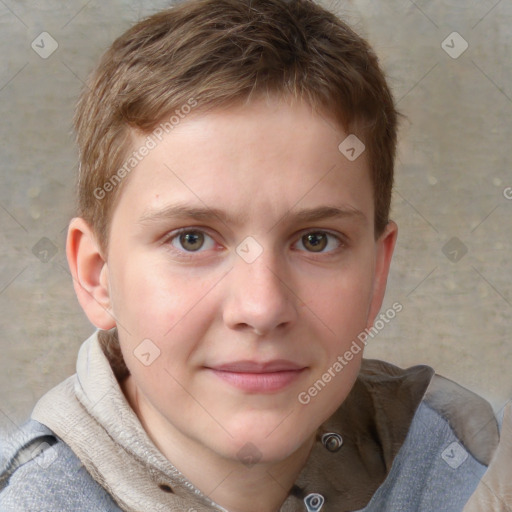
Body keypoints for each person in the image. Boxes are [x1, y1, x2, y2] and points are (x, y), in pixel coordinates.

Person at [0, 0, 509, 510]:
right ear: (97, 276)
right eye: (192, 239)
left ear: (377, 274)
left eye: (315, 240)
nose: (262, 308)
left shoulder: (475, 471)